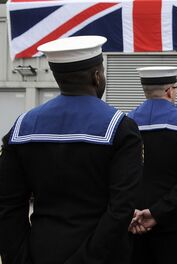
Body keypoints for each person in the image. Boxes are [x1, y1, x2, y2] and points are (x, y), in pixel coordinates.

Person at [0, 36, 142, 263]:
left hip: (40, 251)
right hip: (102, 255)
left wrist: (19, 257)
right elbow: (121, 208)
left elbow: (8, 204)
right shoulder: (121, 128)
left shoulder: (21, 127)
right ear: (97, 76)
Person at [128, 67, 177, 264]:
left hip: (133, 223)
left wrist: (131, 212)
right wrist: (158, 212)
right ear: (170, 91)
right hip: (175, 223)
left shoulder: (126, 123)